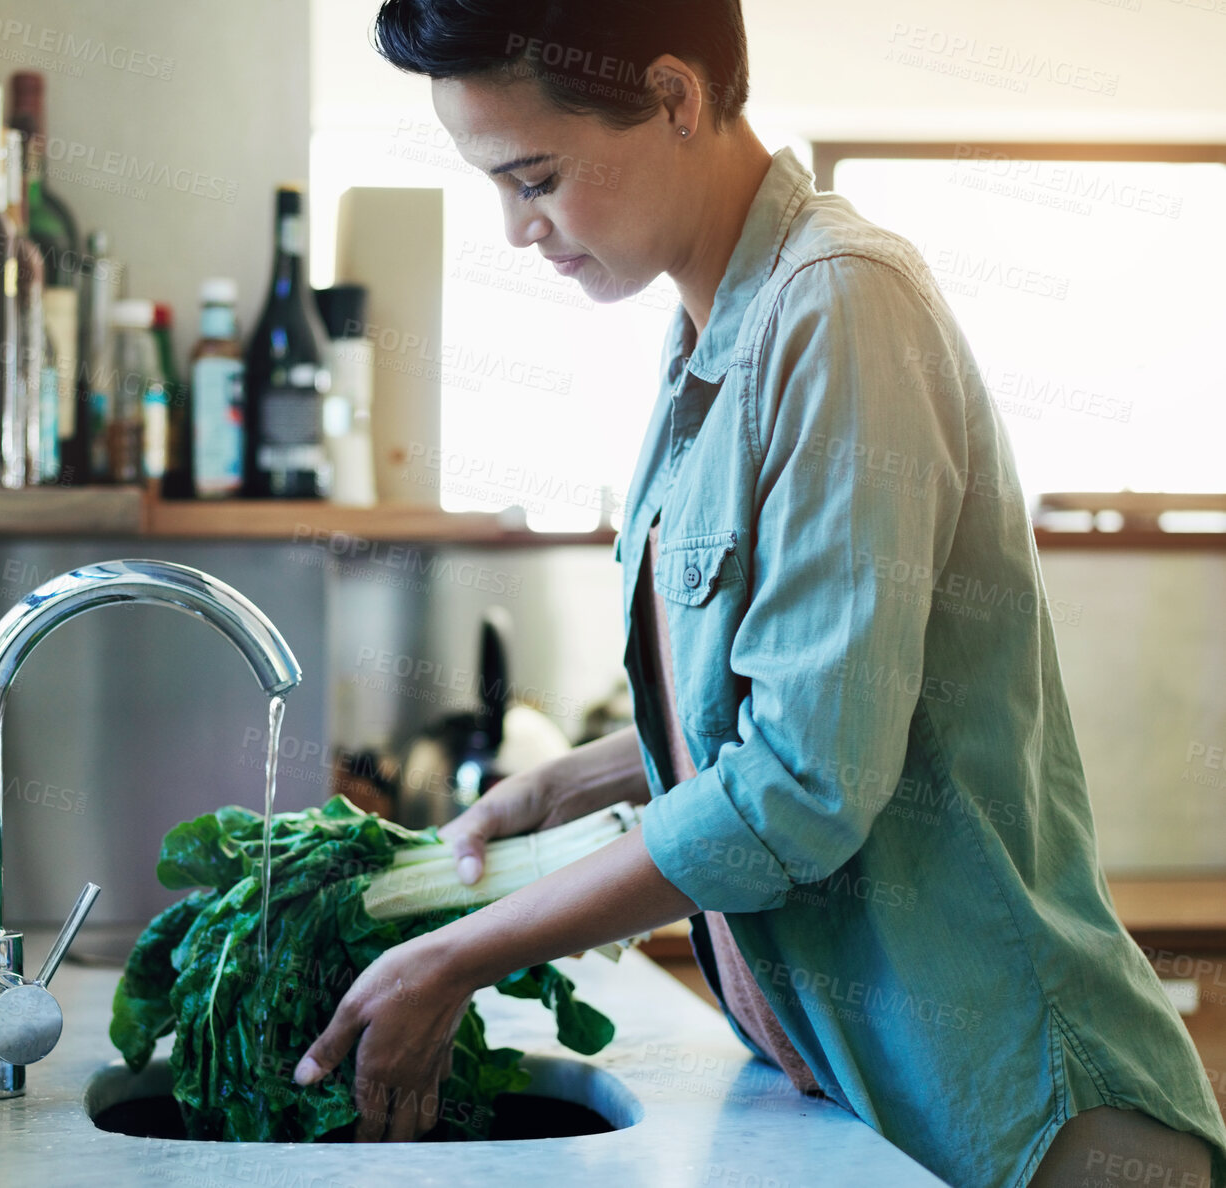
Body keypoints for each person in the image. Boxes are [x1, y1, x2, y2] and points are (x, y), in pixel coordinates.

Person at [290, 2, 1226, 1184]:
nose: (516, 228)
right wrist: (559, 790)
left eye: (533, 177)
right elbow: (779, 686)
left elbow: (802, 781)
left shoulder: (842, 303)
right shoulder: (707, 335)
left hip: (1027, 1123)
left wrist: (463, 953)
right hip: (882, 1094)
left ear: (677, 98)